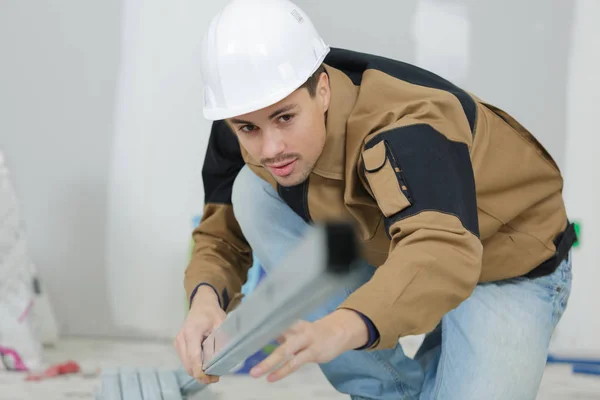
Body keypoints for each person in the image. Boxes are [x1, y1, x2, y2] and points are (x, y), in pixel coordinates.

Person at [174, 0, 576, 398]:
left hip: (508, 257)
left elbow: (441, 248)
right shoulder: (248, 114)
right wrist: (205, 300)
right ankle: (385, 391)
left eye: (286, 118)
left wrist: (340, 327)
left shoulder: (407, 125)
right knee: (251, 190)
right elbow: (221, 232)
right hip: (398, 238)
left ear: (324, 90)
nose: (270, 147)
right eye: (248, 128)